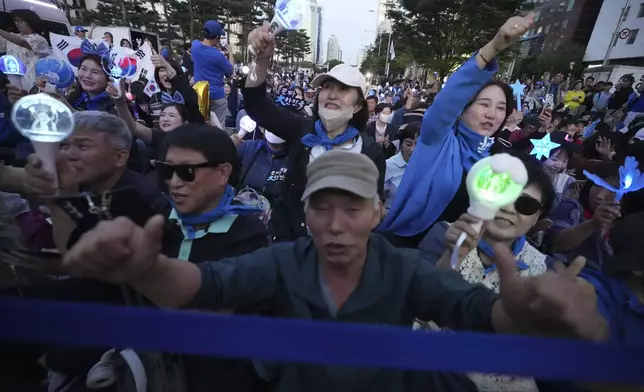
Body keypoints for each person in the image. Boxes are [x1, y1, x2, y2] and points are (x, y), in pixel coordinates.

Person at [62, 150, 607, 391]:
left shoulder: (402, 269)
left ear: (378, 213)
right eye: (323, 207)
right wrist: (147, 269)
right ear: (305, 214)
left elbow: (477, 309)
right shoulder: (283, 262)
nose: (337, 224)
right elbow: (205, 286)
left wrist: (523, 315)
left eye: (353, 209)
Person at [378, 14, 531, 249]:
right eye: (484, 104)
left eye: (501, 108)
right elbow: (448, 99)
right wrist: (494, 46)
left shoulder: (497, 163)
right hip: (404, 247)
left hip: (452, 265)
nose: (492, 114)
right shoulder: (438, 139)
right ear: (462, 109)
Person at [242, 23, 386, 242]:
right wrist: (261, 62)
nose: (332, 95)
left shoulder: (371, 151)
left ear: (358, 106)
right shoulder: (301, 129)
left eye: (344, 89)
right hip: (290, 244)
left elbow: (373, 205)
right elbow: (256, 106)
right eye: (327, 87)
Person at [192, 20, 234, 127]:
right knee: (218, 126)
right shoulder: (217, 55)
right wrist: (230, 53)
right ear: (216, 37)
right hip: (216, 94)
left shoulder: (195, 45)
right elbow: (230, 69)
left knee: (202, 124)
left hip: (200, 92)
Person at [0, 9, 51, 91]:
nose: (17, 23)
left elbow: (21, 42)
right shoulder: (12, 36)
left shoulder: (39, 39)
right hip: (11, 79)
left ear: (30, 21)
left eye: (20, 21)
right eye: (15, 21)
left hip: (31, 81)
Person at [383, 123, 419, 210]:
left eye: (418, 145)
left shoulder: (427, 167)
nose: (412, 149)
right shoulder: (389, 165)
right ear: (401, 144)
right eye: (408, 144)